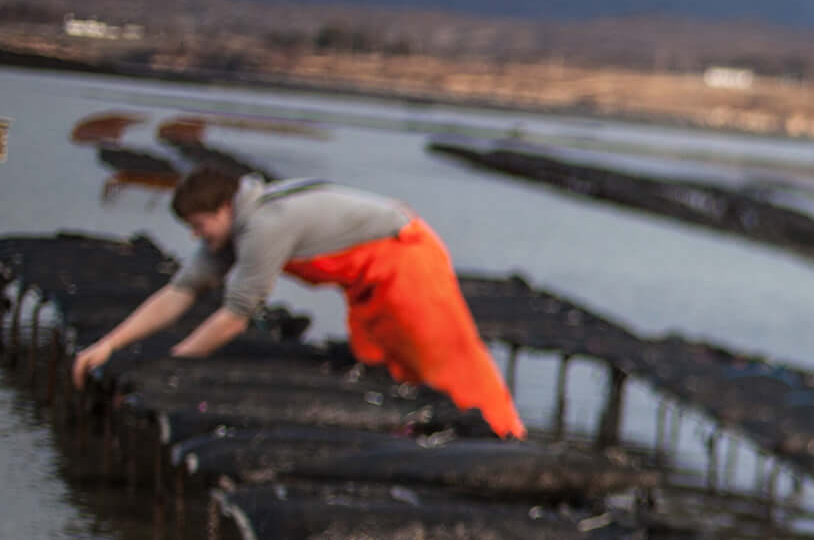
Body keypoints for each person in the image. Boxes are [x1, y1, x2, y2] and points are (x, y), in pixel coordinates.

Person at [73, 166, 526, 438]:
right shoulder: (236, 228)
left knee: (446, 364)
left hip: (407, 259)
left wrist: (172, 365)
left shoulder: (266, 225)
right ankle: (428, 438)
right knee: (392, 370)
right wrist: (109, 345)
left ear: (223, 210)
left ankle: (506, 438)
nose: (195, 236)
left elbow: (235, 316)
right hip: (366, 282)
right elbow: (181, 291)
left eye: (198, 225)